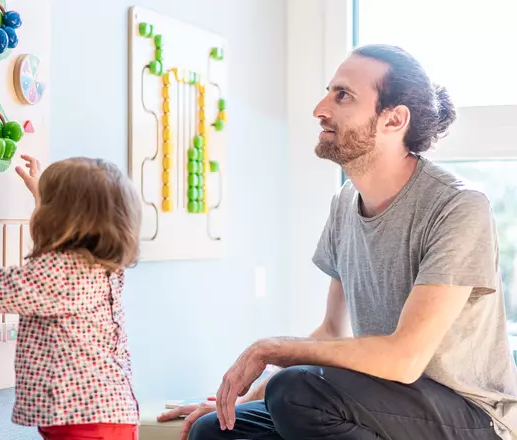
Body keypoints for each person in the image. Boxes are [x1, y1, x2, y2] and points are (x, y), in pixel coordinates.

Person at [157, 44, 517, 440]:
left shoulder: (457, 206)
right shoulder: (345, 203)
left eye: (342, 95)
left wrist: (273, 348)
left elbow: (405, 358)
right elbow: (332, 329)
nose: (320, 108)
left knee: (296, 390)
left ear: (393, 120)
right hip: (380, 405)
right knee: (215, 430)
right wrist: (236, 401)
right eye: (329, 91)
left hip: (470, 418)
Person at [0, 154, 142, 440]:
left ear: (58, 219)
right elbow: (67, 234)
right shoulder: (101, 265)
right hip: (110, 413)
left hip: (82, 422)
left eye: (48, 205)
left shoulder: (59, 273)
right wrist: (43, 195)